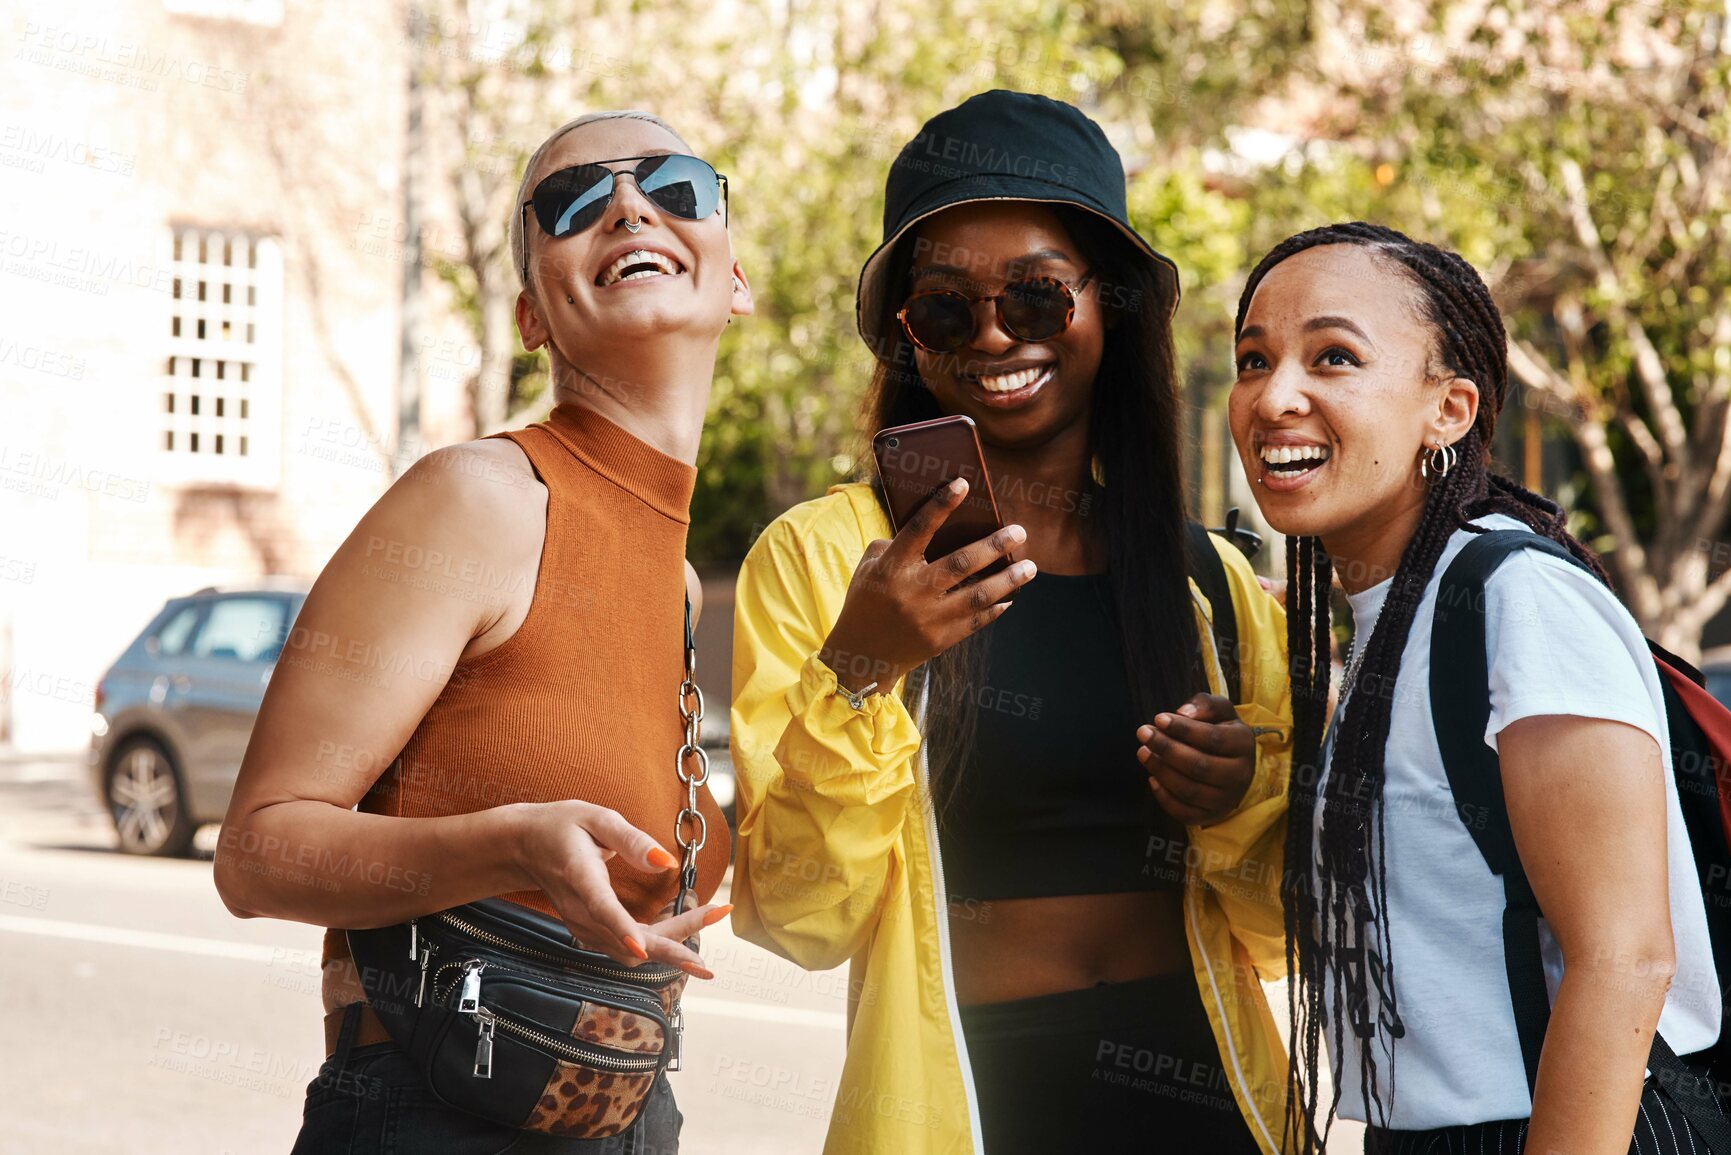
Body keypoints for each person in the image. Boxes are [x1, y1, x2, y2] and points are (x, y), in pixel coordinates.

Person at [729, 89, 1295, 1155]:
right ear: (905, 336)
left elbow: (1276, 935)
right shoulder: (823, 560)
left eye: (1035, 298)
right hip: (965, 1105)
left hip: (1205, 1091)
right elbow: (806, 920)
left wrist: (1235, 803)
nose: (991, 334)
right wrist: (861, 666)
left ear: (1108, 307)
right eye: (945, 307)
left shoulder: (1210, 585)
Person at [213, 109, 747, 1153]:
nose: (631, 205)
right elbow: (257, 851)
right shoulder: (479, 500)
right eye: (575, 204)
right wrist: (509, 845)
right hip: (438, 1118)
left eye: (675, 185)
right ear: (530, 318)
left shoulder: (677, 583)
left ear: (735, 279)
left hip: (628, 1119)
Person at [1229, 221, 1723, 1153]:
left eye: (1333, 356)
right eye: (1253, 358)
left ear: (1448, 410)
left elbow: (1623, 956)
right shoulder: (1386, 618)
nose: (1274, 395)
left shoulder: (1515, 600)